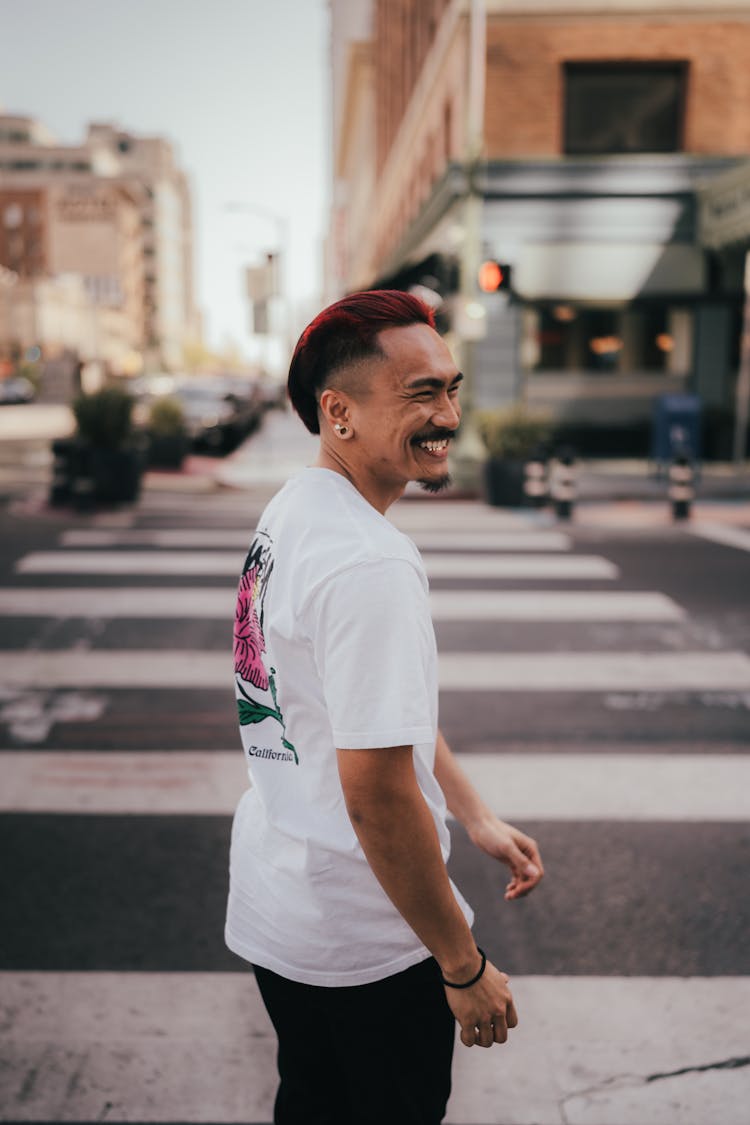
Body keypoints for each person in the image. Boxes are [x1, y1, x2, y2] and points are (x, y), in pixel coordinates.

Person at [226, 290, 544, 1125]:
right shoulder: (370, 562)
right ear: (339, 413)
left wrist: (473, 813)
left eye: (450, 387)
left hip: (283, 911)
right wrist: (463, 964)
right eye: (419, 394)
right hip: (365, 937)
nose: (449, 414)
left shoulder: (295, 509)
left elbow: (364, 711)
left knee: (312, 1104)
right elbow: (374, 791)